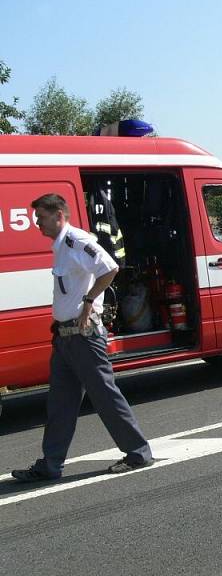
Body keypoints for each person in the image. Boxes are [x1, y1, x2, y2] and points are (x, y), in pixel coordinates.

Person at [11, 194, 153, 482]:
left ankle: (138, 452)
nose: (37, 222)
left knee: (105, 396)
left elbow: (110, 267)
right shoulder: (62, 247)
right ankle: (51, 465)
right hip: (65, 338)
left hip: (84, 337)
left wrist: (89, 301)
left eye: (41, 217)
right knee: (60, 404)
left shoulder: (76, 241)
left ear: (59, 215)